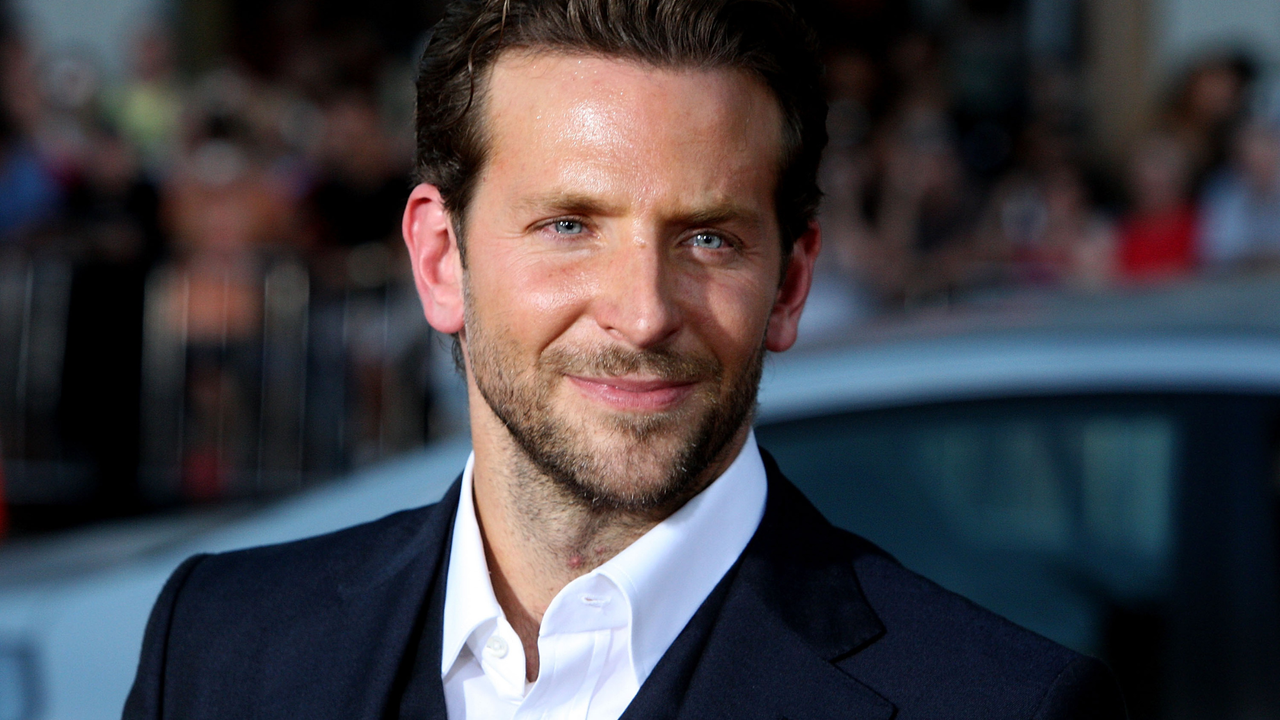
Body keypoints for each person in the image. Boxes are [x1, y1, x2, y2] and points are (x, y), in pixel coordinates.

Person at [124, 1, 1127, 718]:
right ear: (440, 261)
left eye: (707, 239)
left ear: (788, 284)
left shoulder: (997, 702)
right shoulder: (219, 646)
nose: (642, 313)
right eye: (569, 224)